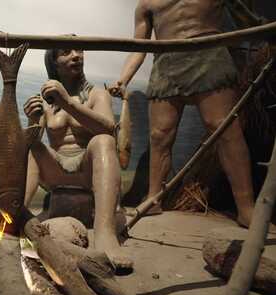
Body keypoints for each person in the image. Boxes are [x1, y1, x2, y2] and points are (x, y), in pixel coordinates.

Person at [109, 0, 259, 228]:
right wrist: (123, 78)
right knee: (159, 136)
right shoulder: (146, 3)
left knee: (225, 129)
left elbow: (248, 22)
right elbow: (139, 46)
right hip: (166, 64)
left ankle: (246, 208)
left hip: (209, 55)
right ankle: (153, 198)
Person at [23, 47, 132, 269]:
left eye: (79, 50)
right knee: (33, 145)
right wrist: (32, 119)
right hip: (56, 173)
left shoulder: (96, 95)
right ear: (54, 62)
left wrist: (67, 103)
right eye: (66, 52)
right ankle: (15, 217)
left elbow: (109, 128)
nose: (76, 55)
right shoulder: (47, 100)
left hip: (88, 170)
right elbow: (32, 141)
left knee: (103, 141)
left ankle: (105, 234)